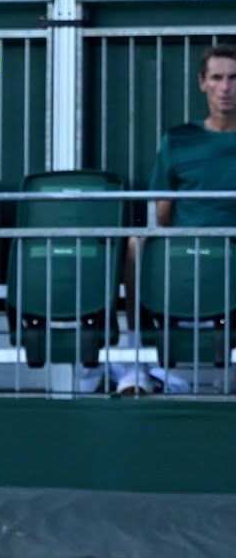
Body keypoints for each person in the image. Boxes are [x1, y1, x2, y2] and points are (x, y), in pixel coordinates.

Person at [118, 42, 236, 394]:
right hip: (186, 250)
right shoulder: (179, 139)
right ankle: (135, 361)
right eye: (217, 78)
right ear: (202, 82)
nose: (226, 87)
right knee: (136, 245)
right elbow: (163, 210)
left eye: (234, 78)